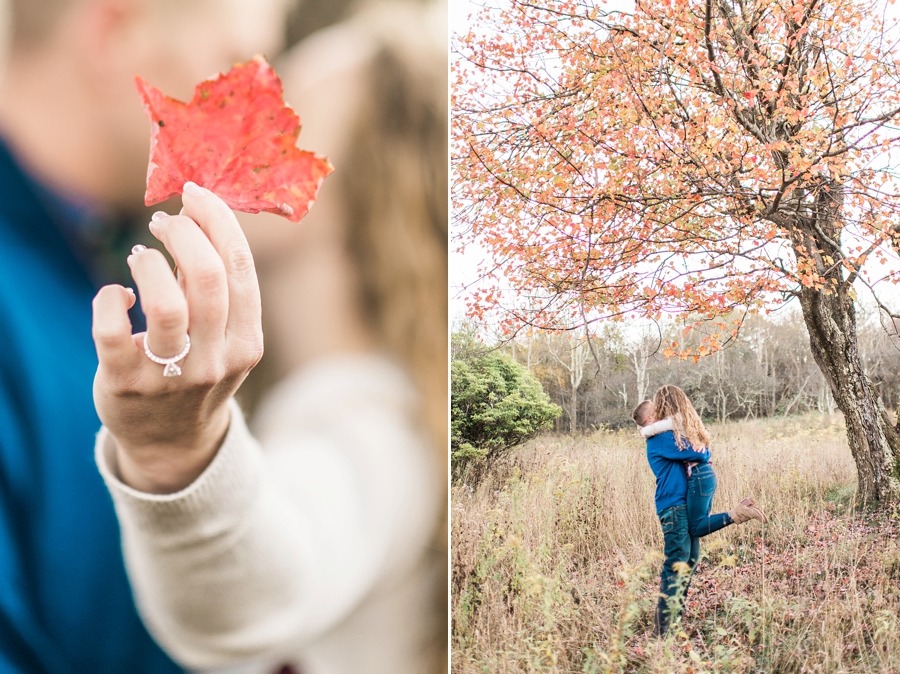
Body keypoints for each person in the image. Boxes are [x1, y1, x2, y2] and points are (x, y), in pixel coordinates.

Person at [0, 0, 445, 672]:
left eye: (284, 117)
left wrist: (181, 457)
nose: (237, 117)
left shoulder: (374, 424)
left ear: (366, 189)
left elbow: (264, 584)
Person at [632, 386, 766, 636]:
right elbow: (698, 451)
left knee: (690, 561)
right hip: (673, 505)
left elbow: (699, 449)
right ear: (649, 420)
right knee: (676, 562)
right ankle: (663, 632)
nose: (662, 414)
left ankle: (674, 621)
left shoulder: (666, 435)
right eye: (656, 412)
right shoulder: (657, 438)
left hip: (681, 502)